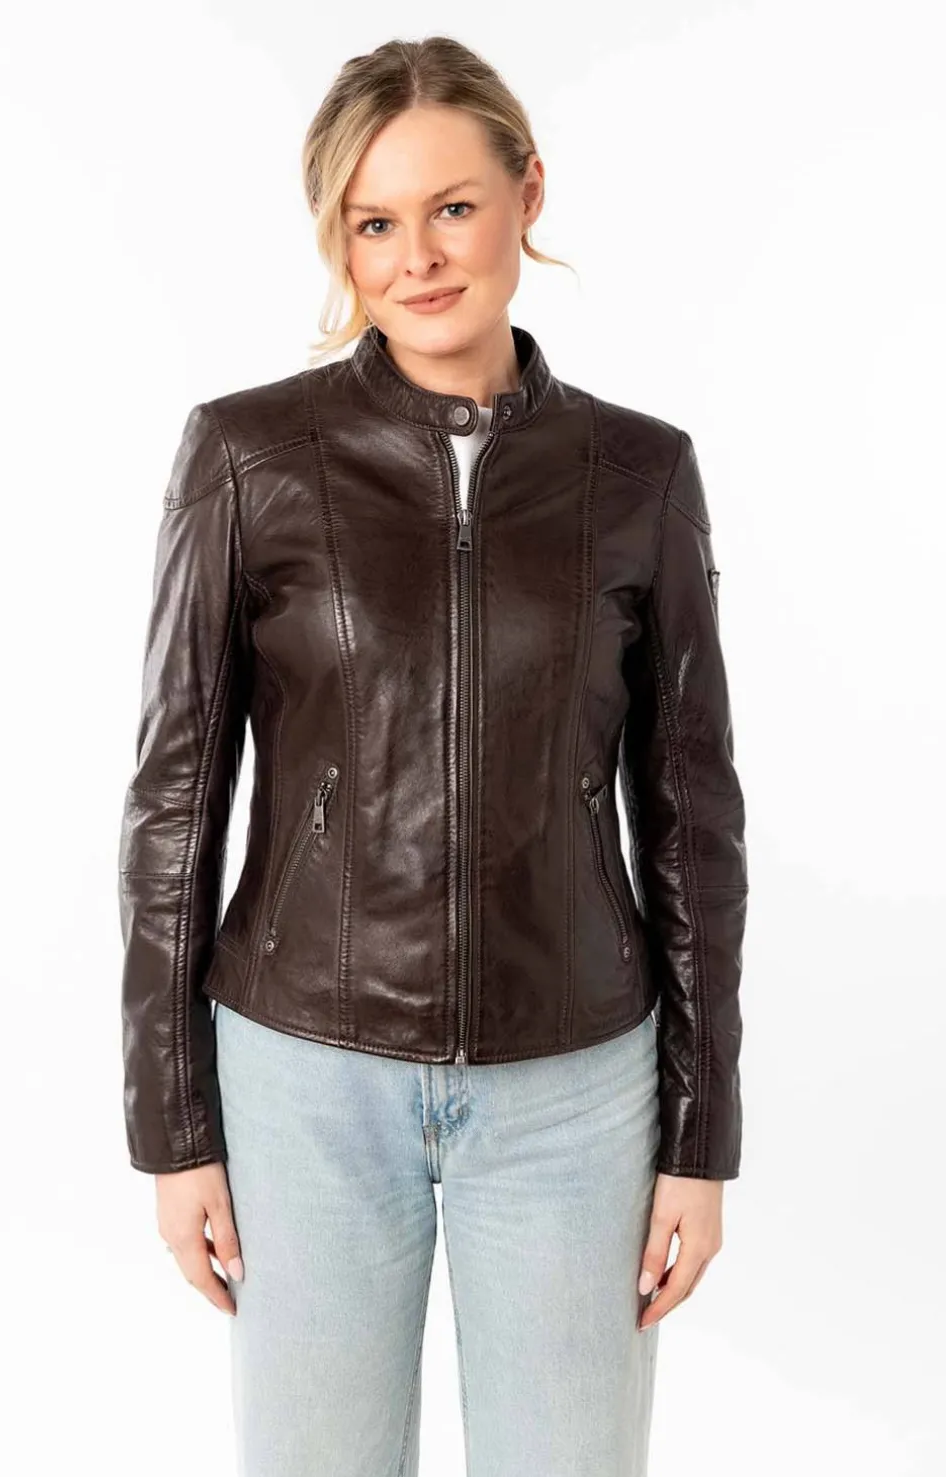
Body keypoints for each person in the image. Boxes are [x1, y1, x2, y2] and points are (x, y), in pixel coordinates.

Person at [117, 34, 748, 1477]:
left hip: (577, 1082)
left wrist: (700, 1134)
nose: (416, 259)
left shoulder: (639, 474)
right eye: (374, 222)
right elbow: (174, 803)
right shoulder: (248, 458)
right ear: (339, 236)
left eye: (453, 207)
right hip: (303, 1071)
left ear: (529, 193)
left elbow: (691, 814)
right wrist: (173, 1124)